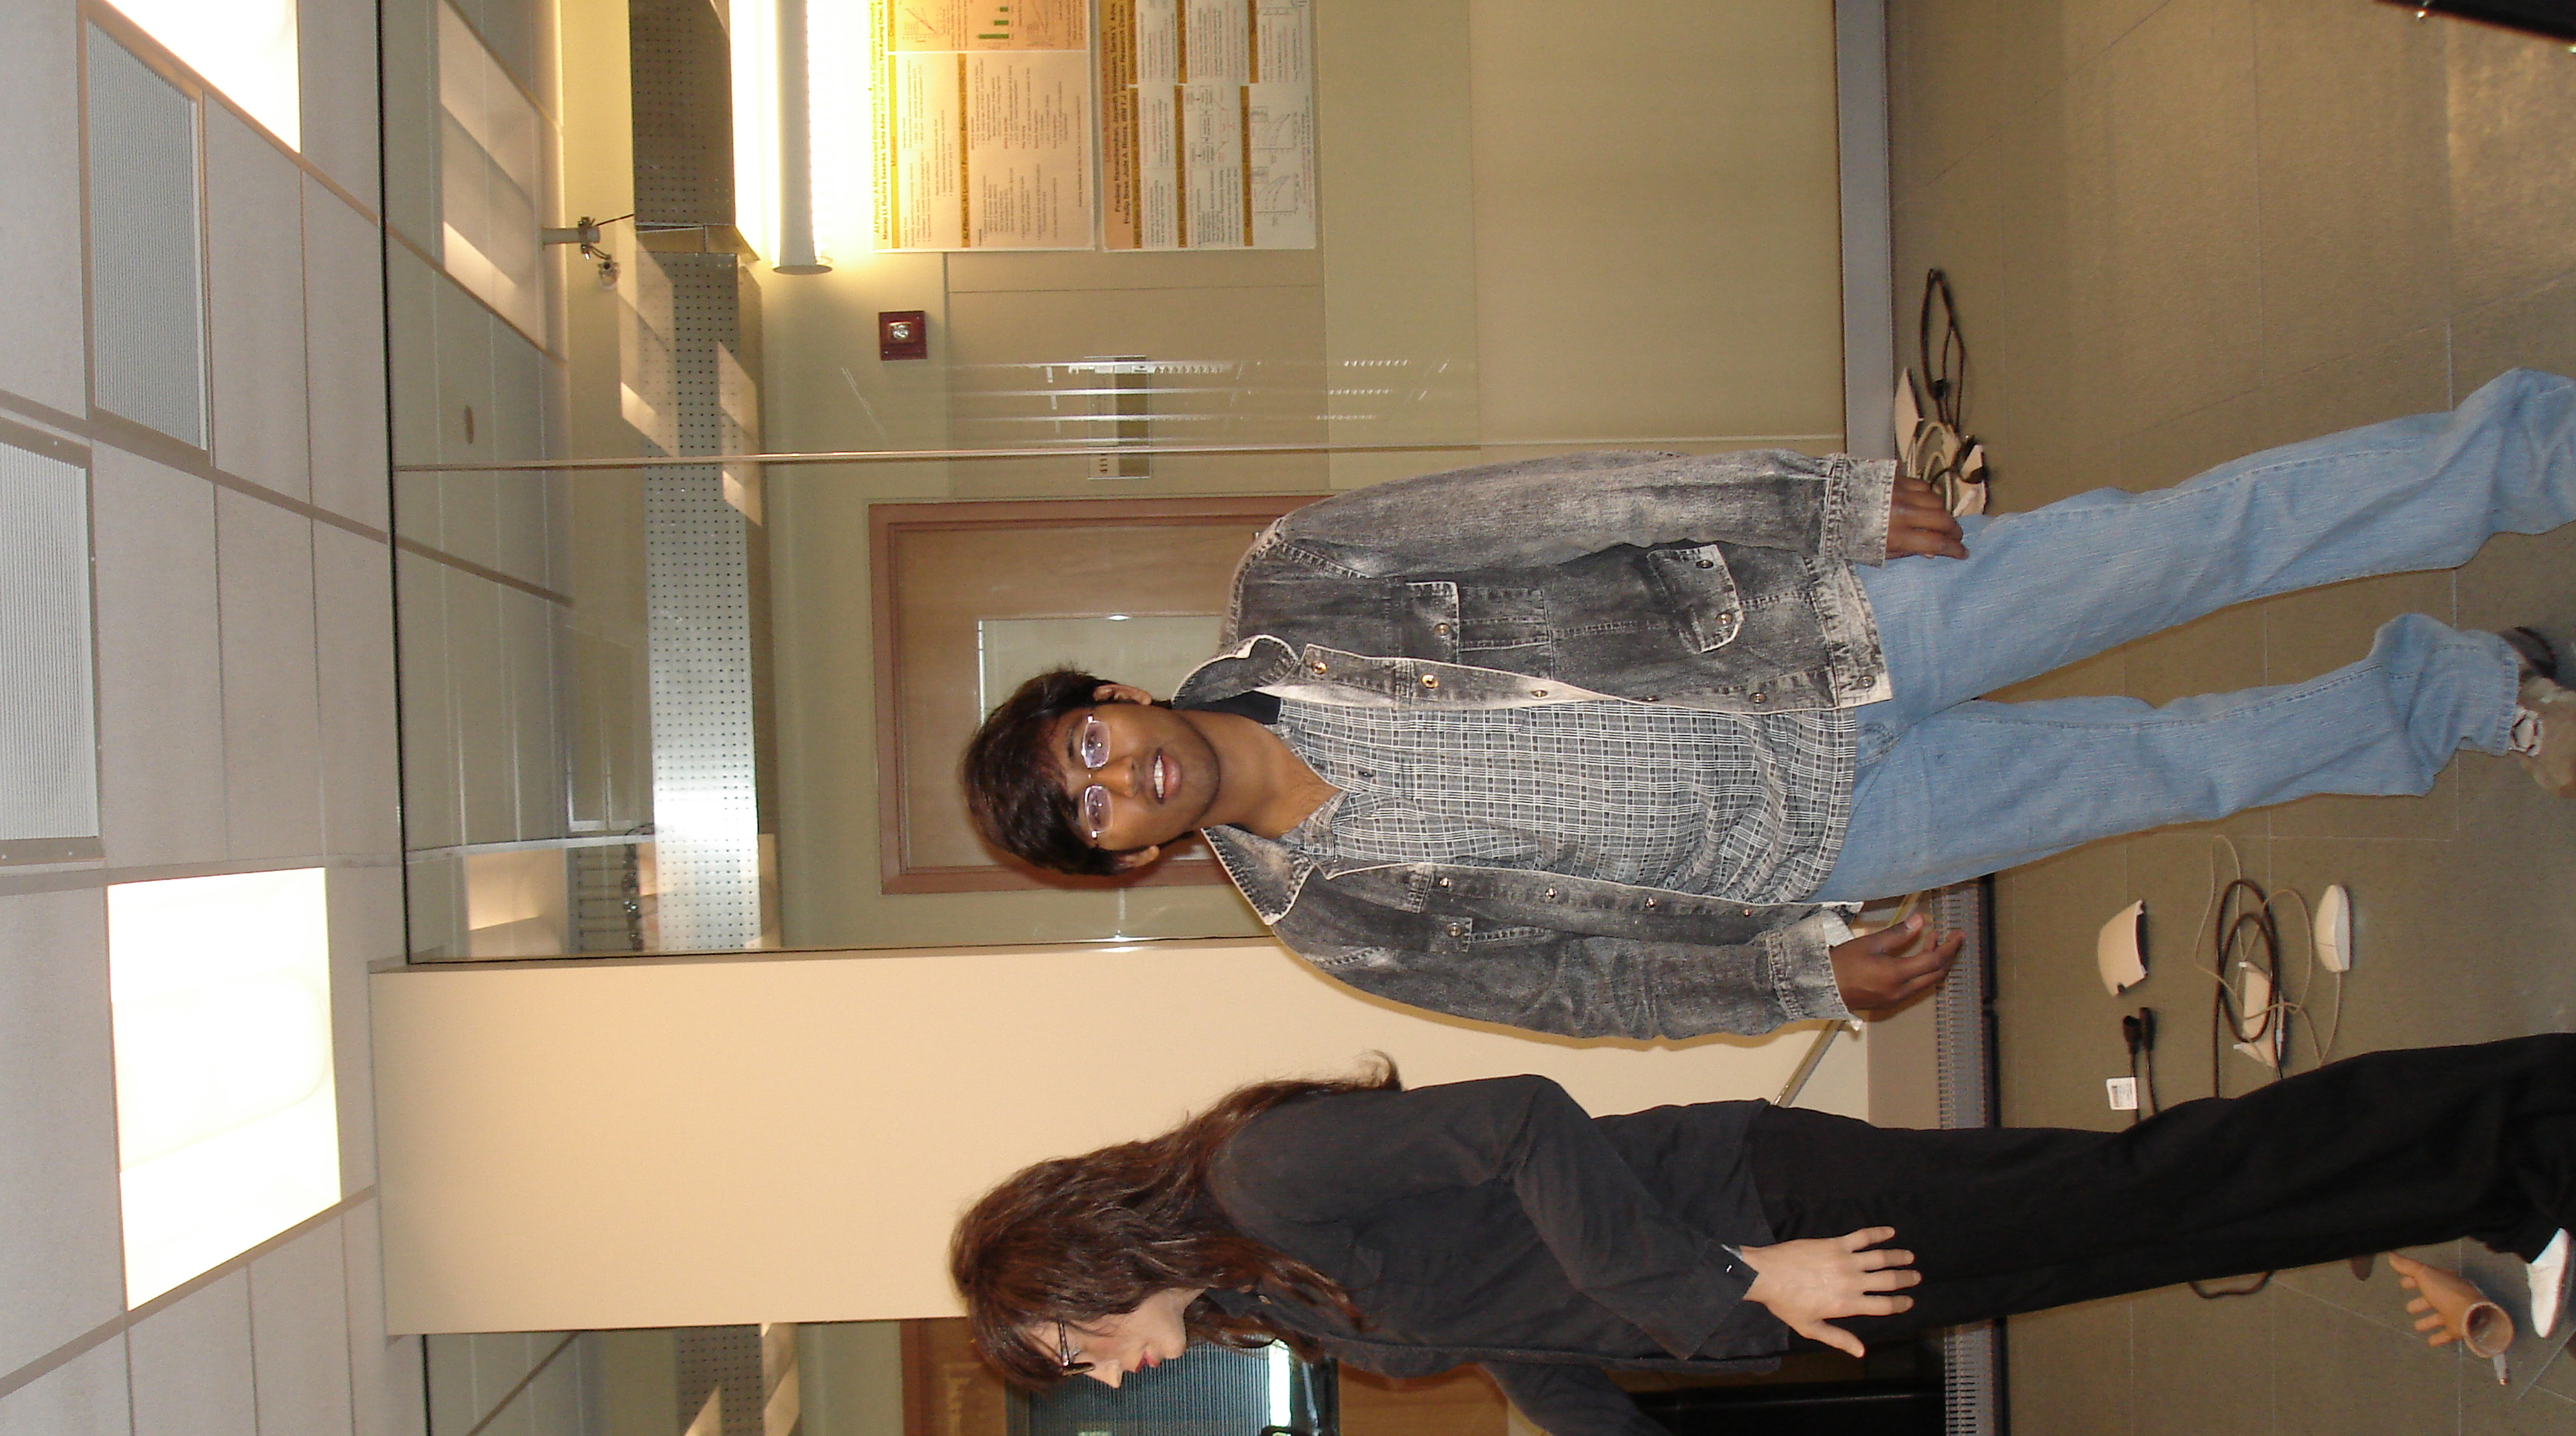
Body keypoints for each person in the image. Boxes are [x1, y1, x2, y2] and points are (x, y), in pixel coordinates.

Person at [962, 370, 2576, 1041]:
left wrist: (1818, 503)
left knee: (2180, 545)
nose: (1123, 779)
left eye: (1091, 746)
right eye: (1092, 812)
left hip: (1824, 634)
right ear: (1128, 859)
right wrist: (1799, 981)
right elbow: (1589, 991)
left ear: (1114, 696)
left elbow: (1560, 506)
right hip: (1828, 841)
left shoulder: (1298, 580)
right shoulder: (1337, 928)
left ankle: (2523, 452)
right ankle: (2468, 694)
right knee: (2181, 771)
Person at [952, 1037, 2576, 1436]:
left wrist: (1740, 1284)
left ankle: (2528, 1115)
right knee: (2159, 1232)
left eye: (1074, 1349)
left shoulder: (1267, 1173)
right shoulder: (1263, 1297)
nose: (1109, 1375)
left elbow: (1524, 1124)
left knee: (2162, 1184)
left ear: (1080, 1261)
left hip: (1771, 1207)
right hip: (1779, 1285)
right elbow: (1508, 1323)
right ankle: (2506, 1186)